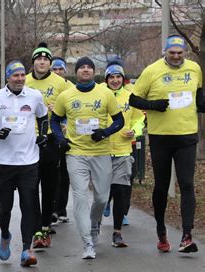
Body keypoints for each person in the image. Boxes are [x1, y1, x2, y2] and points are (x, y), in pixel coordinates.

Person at [129, 35, 204, 253]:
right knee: (161, 186)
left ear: (185, 53)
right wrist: (154, 105)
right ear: (165, 52)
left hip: (187, 135)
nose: (176, 57)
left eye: (180, 53)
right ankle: (161, 229)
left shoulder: (194, 69)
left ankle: (186, 236)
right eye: (172, 53)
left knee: (187, 184)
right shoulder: (152, 71)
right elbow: (133, 99)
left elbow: (199, 99)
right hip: (161, 137)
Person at [50, 57, 124, 259]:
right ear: (76, 72)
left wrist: (105, 132)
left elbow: (120, 120)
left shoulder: (105, 93)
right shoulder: (66, 95)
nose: (85, 70)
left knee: (101, 197)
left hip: (100, 152)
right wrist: (60, 139)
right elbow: (55, 120)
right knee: (80, 197)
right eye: (81, 67)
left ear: (94, 71)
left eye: (89, 67)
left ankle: (94, 223)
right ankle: (87, 242)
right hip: (76, 153)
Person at [0, 60, 48, 267]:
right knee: (6, 208)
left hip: (29, 161)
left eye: (21, 75)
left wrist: (43, 135)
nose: (19, 79)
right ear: (8, 78)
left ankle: (27, 249)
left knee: (28, 205)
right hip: (4, 162)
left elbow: (43, 117)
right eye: (15, 76)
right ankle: (5, 234)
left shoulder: (34, 96)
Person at [25, 42, 71, 249]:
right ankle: (36, 228)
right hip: (28, 140)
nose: (41, 62)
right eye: (38, 59)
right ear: (33, 62)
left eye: (45, 59)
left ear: (50, 63)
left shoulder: (61, 83)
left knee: (50, 185)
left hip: (51, 139)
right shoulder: (23, 81)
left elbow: (76, 102)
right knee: (30, 186)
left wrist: (60, 109)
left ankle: (45, 226)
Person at [103, 63, 145, 247]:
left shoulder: (130, 96)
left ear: (123, 79)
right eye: (111, 77)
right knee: (101, 195)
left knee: (120, 191)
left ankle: (117, 233)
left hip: (123, 151)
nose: (115, 80)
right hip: (101, 151)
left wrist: (134, 131)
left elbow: (139, 118)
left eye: (118, 77)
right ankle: (95, 227)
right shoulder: (98, 94)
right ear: (106, 79)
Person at [50, 56, 74, 224]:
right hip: (50, 136)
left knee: (64, 174)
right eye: (55, 69)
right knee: (52, 174)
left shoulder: (71, 88)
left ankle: (62, 208)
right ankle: (50, 208)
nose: (58, 72)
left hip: (67, 136)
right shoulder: (46, 87)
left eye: (60, 69)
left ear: (65, 71)